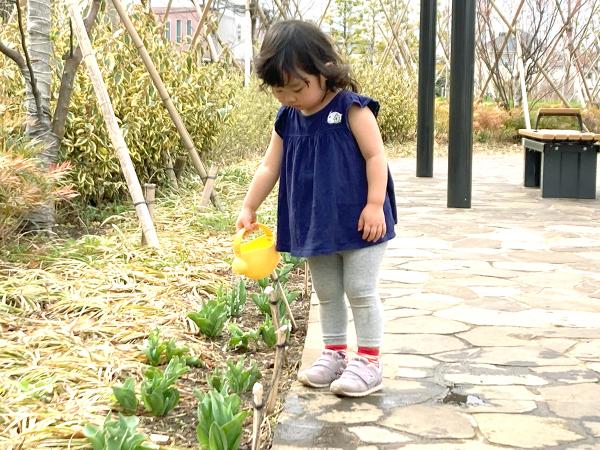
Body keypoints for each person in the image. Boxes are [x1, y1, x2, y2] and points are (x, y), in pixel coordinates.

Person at [235, 19, 397, 398]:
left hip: (361, 221)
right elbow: (269, 166)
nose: (290, 97)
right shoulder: (287, 120)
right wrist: (249, 204)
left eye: (297, 87)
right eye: (280, 90)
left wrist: (375, 204)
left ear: (324, 71)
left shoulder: (352, 108)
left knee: (359, 287)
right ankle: (335, 353)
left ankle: (370, 361)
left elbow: (376, 156)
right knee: (326, 291)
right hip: (315, 221)